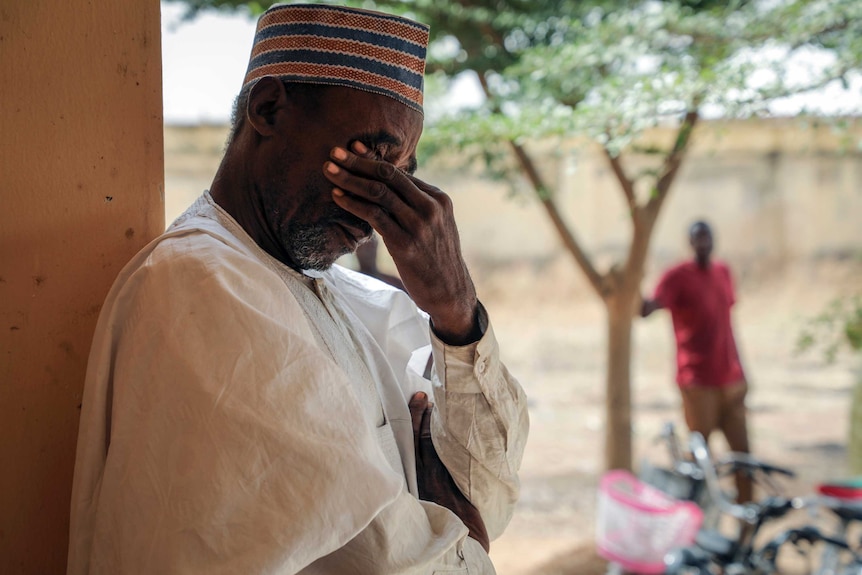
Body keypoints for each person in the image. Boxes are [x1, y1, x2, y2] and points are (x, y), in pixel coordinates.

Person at [67, 4, 529, 574]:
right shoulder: (204, 284)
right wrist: (454, 524)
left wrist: (457, 316)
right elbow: (411, 560)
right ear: (268, 109)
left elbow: (489, 499)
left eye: (403, 171)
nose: (378, 207)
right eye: (369, 158)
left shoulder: (351, 299)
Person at [641, 220, 751, 503]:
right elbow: (648, 308)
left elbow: (728, 325)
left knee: (744, 459)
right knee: (700, 460)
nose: (704, 244)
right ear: (690, 243)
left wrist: (743, 372)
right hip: (698, 383)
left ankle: (747, 525)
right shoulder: (677, 276)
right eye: (698, 239)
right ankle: (697, 520)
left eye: (707, 238)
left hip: (731, 380)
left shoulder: (723, 272)